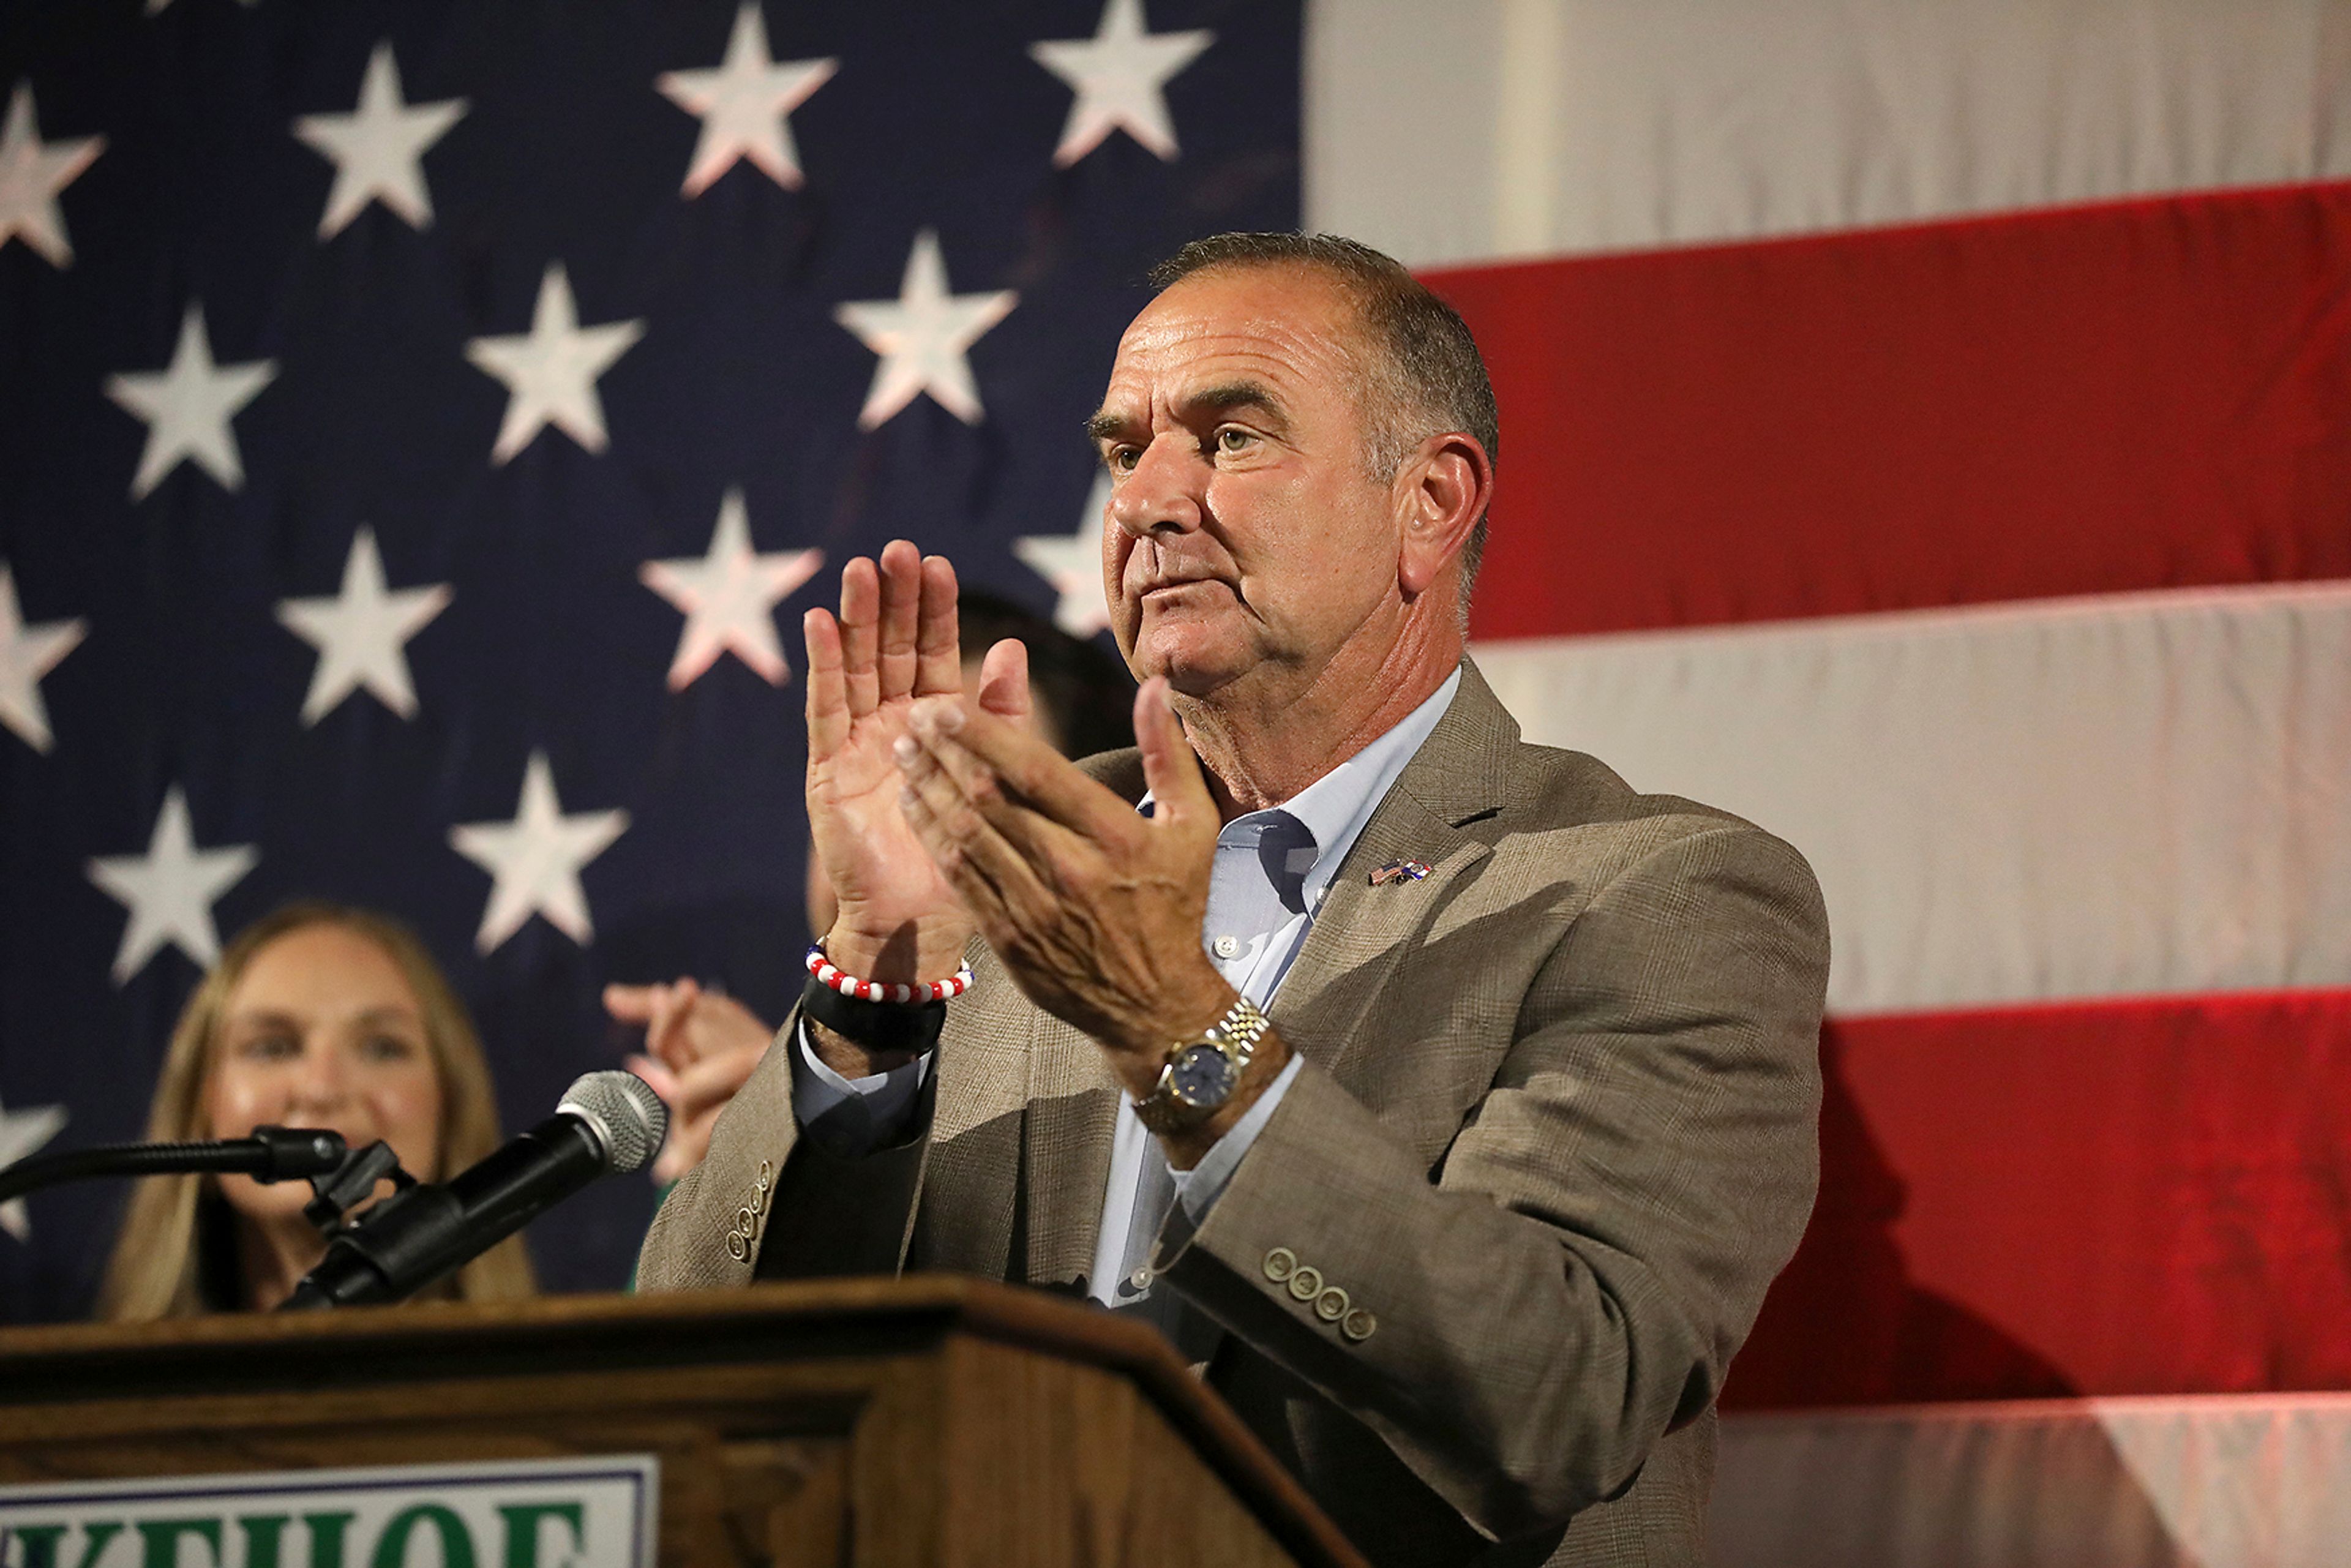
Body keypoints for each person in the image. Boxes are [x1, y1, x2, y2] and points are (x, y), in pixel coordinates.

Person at [635, 233, 1829, 1565]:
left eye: (1233, 436)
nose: (1146, 497)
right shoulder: (1017, 857)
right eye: (1122, 448)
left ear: (1430, 501)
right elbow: (690, 1384)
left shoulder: (1650, 896)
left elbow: (1561, 1390)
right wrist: (876, 975)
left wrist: (1172, 1025)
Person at [606, 592, 1133, 1185]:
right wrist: (776, 1122)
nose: (895, 851)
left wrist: (810, 1136)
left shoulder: (1126, 1111)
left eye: (959, 799)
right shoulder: (736, 1110)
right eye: (877, 787)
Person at [99, 902, 536, 1318]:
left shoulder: (551, 1388)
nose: (322, 1089)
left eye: (382, 1048)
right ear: (200, 1110)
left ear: (451, 1104)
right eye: (273, 1047)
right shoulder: (109, 1393)